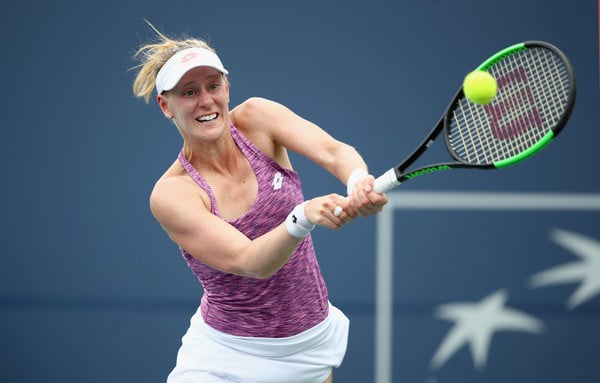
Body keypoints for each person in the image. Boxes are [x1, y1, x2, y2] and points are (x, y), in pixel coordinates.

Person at [132, 23, 388, 383]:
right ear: (165, 105)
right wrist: (303, 217)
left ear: (227, 87)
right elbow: (248, 261)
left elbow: (333, 152)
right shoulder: (173, 194)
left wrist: (358, 181)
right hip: (227, 356)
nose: (206, 101)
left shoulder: (258, 118)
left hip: (309, 344)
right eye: (189, 92)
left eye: (213, 86)